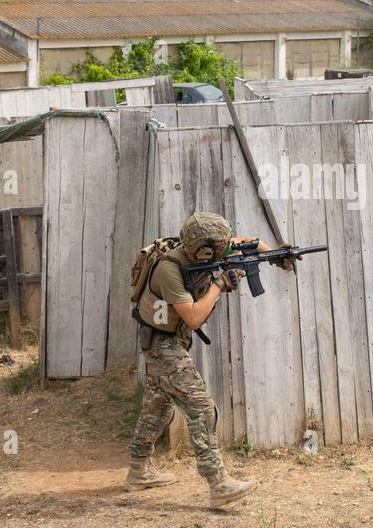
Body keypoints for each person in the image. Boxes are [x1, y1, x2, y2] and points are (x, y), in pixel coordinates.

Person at [126, 210, 295, 508]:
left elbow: (248, 243)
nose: (214, 254)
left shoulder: (209, 245)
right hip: (162, 345)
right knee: (201, 408)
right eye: (209, 251)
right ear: (193, 246)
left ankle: (139, 470)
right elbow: (192, 317)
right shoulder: (170, 269)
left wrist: (277, 256)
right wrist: (219, 285)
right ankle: (218, 483)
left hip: (167, 340)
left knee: (158, 408)